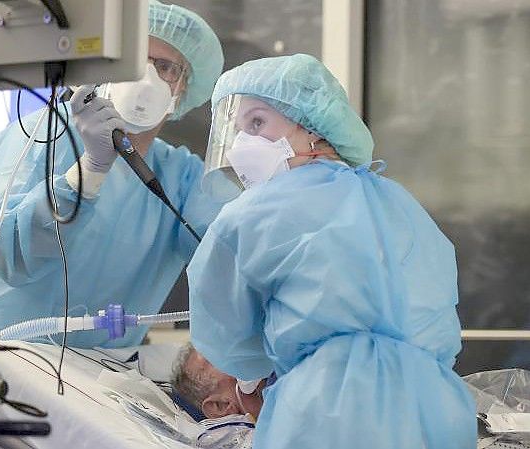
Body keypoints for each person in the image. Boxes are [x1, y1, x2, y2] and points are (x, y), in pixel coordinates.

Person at [187, 54, 476, 449]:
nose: (242, 144)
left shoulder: (256, 211)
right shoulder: (402, 206)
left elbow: (224, 324)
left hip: (325, 412)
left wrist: (256, 368)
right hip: (436, 410)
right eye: (238, 130)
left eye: (257, 122)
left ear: (312, 126)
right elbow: (436, 316)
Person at [0, 0, 224, 348]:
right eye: (135, 58)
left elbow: (227, 253)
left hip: (99, 380)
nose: (147, 77)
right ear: (106, 65)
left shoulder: (181, 177)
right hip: (6, 356)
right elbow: (8, 254)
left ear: (183, 88)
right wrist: (90, 170)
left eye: (166, 67)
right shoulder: (42, 134)